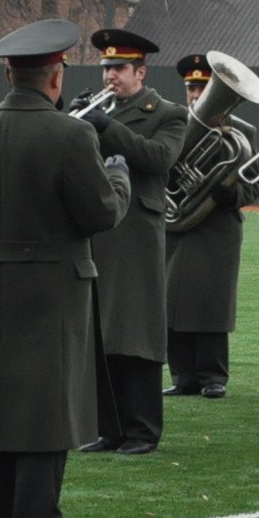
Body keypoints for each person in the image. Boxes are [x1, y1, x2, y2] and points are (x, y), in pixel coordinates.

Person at [0, 19, 132, 518]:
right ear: (55, 77)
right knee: (48, 412)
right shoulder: (71, 134)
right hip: (53, 287)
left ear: (8, 72)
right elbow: (100, 213)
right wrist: (118, 175)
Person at [76, 28, 186, 456]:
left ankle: (142, 430)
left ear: (141, 72)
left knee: (134, 332)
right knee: (101, 333)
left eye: (119, 69)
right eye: (106, 68)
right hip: (98, 229)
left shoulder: (168, 113)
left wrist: (106, 126)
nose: (110, 77)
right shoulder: (97, 110)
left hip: (137, 232)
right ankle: (110, 429)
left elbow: (159, 159)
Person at [163, 53, 259, 402]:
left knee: (210, 304)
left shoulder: (242, 133)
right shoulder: (170, 123)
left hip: (216, 228)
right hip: (176, 224)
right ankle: (182, 375)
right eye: (192, 87)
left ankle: (213, 376)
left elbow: (254, 185)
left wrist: (229, 193)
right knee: (171, 302)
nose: (197, 94)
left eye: (204, 87)